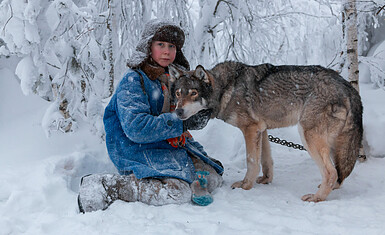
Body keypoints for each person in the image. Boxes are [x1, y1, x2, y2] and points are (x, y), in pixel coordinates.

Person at [77, 19, 224, 213]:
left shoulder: (171, 80)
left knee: (212, 178)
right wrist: (181, 122)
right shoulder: (133, 80)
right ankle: (105, 186)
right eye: (160, 45)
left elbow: (178, 124)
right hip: (135, 148)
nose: (166, 51)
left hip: (163, 144)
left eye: (172, 46)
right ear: (148, 47)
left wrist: (193, 138)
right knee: (177, 193)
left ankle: (186, 176)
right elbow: (137, 129)